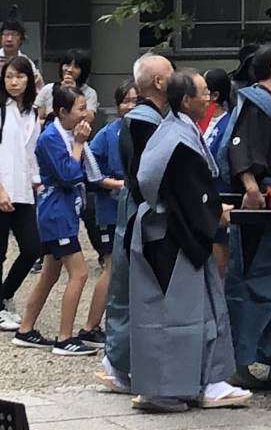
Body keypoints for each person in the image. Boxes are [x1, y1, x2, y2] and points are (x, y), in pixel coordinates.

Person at [129, 69, 250, 413]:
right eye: (203, 94)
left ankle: (199, 382)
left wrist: (211, 208)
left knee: (192, 311)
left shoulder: (173, 131)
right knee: (175, 316)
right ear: (186, 101)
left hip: (166, 230)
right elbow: (189, 193)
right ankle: (168, 389)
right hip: (172, 236)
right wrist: (215, 213)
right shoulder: (178, 141)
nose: (209, 98)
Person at [216, 42, 271, 389]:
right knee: (253, 281)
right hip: (262, 203)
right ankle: (239, 360)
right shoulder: (255, 103)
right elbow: (242, 147)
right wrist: (250, 185)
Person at [97, 53, 170, 393]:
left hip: (133, 204)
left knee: (125, 287)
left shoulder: (142, 119)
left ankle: (119, 360)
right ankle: (123, 364)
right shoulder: (145, 121)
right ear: (158, 82)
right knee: (131, 289)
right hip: (141, 208)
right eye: (171, 74)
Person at [13, 84, 101, 355]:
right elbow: (68, 174)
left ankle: (25, 329)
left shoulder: (64, 132)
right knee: (80, 273)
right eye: (81, 109)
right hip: (56, 212)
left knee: (50, 274)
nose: (85, 114)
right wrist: (78, 144)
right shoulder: (52, 137)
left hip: (61, 212)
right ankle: (65, 338)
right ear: (62, 111)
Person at [78, 79, 137, 344]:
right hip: (110, 208)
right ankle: (90, 326)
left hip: (134, 208)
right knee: (111, 266)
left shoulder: (146, 130)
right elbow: (91, 173)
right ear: (117, 105)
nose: (130, 106)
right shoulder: (106, 134)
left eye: (135, 100)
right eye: (126, 100)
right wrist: (118, 184)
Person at [0, 57, 41, 332]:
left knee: (32, 247)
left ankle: (4, 295)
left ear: (29, 79)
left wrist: (37, 181)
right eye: (9, 77)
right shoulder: (1, 110)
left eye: (19, 77)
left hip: (24, 189)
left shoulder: (32, 113)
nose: (14, 82)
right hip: (3, 187)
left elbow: (31, 151)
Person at [204, 68, 235, 278]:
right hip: (202, 195)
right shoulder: (200, 122)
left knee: (219, 265)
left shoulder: (229, 123)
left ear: (215, 95)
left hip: (220, 194)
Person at [35, 50, 99, 123]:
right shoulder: (48, 89)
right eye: (67, 65)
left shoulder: (90, 93)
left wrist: (74, 92)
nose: (69, 70)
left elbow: (88, 119)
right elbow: (36, 119)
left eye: (76, 67)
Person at [0, 6, 43, 90]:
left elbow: (37, 91)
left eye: (14, 35)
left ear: (21, 39)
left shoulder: (27, 63)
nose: (9, 39)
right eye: (6, 34)